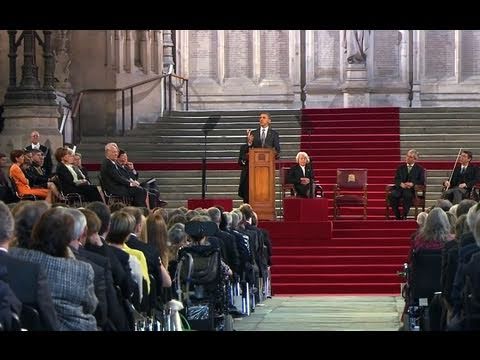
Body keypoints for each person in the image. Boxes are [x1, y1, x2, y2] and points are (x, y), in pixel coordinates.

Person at [238, 112, 281, 203]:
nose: (261, 119)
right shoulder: (253, 133)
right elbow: (247, 150)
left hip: (267, 169)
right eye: (260, 117)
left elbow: (277, 150)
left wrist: (272, 153)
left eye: (264, 117)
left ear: (269, 120)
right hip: (254, 169)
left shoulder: (274, 134)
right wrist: (249, 143)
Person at [388, 149, 426, 220]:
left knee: (407, 195)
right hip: (400, 188)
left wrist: (412, 183)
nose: (407, 158)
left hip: (411, 190)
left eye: (410, 157)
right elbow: (396, 179)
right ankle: (397, 216)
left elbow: (421, 181)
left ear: (415, 159)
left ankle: (404, 215)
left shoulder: (420, 169)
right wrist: (400, 183)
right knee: (392, 195)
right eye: (407, 156)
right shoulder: (400, 168)